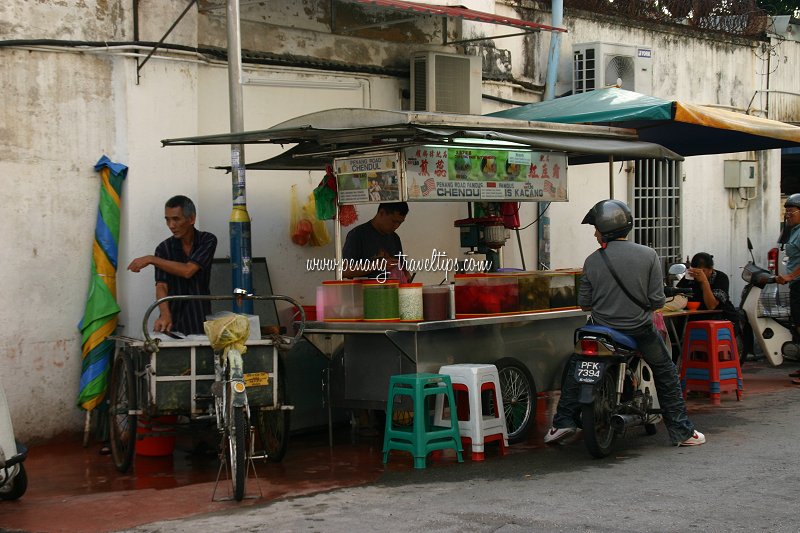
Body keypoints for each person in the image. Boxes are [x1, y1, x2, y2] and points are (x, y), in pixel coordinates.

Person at [544, 199, 705, 447]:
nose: (595, 233)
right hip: (639, 330)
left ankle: (562, 422)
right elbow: (655, 301)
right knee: (666, 372)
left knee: (577, 367)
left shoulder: (591, 261)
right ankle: (682, 431)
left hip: (599, 332)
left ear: (606, 229)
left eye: (596, 228)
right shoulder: (649, 255)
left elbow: (584, 304)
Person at [127, 195, 217, 335]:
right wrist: (164, 314)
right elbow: (161, 285)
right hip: (172, 321)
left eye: (176, 219)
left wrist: (151, 259)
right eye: (167, 220)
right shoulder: (163, 249)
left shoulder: (207, 240)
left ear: (191, 219)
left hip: (200, 318)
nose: (171, 225)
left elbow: (188, 270)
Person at [341, 202, 410, 282]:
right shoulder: (357, 235)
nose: (396, 226)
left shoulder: (395, 238)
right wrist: (376, 265)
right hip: (365, 292)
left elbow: (402, 267)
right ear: (381, 213)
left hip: (391, 291)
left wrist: (406, 274)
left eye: (400, 223)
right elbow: (345, 271)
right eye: (394, 221)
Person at [776, 193, 800, 383]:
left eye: (791, 211)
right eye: (786, 211)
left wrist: (791, 275)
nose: (788, 215)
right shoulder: (793, 231)